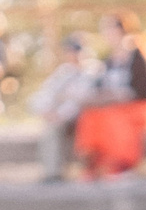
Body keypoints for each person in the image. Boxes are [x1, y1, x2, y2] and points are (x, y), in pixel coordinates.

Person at [74, 12, 146, 179]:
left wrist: (118, 97)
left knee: (112, 117)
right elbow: (99, 86)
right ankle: (95, 163)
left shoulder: (140, 52)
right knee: (90, 116)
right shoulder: (109, 59)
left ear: (121, 29)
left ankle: (122, 164)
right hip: (113, 104)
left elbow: (145, 90)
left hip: (139, 106)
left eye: (108, 28)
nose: (105, 33)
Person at [30, 35, 97, 181]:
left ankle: (54, 172)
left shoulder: (92, 72)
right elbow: (45, 94)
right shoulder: (63, 71)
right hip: (59, 115)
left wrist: (60, 115)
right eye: (70, 50)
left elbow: (81, 100)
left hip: (81, 117)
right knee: (50, 128)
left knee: (54, 127)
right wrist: (45, 110)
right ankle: (52, 172)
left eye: (76, 50)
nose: (72, 54)